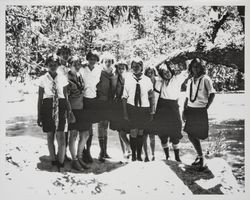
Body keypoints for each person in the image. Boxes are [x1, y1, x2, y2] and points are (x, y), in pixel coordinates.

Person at [37, 54, 72, 172]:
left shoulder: (63, 77)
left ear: (58, 65)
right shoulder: (43, 79)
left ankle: (61, 162)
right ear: (47, 65)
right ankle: (53, 160)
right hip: (47, 106)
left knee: (61, 135)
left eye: (55, 64)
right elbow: (40, 98)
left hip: (61, 106)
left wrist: (69, 111)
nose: (52, 66)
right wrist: (39, 115)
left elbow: (66, 96)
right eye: (50, 64)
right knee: (50, 135)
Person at [149, 61, 189, 162]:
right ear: (161, 74)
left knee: (175, 133)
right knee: (162, 134)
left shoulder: (177, 79)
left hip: (173, 108)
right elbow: (155, 97)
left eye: (168, 71)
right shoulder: (159, 82)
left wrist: (187, 59)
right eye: (164, 72)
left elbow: (188, 70)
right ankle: (167, 156)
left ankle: (177, 157)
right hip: (161, 108)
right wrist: (153, 112)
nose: (167, 73)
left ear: (171, 71)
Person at [183, 58, 216, 170]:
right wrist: (184, 110)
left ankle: (200, 157)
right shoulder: (190, 80)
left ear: (202, 67)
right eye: (193, 66)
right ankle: (201, 157)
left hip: (200, 110)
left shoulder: (206, 79)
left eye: (198, 66)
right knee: (190, 134)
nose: (195, 68)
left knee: (198, 134)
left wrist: (206, 106)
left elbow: (212, 93)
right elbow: (187, 97)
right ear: (191, 68)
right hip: (190, 110)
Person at [122, 57, 155, 161]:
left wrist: (152, 111)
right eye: (134, 66)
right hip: (132, 108)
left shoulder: (147, 80)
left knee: (140, 132)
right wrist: (125, 113)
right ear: (131, 67)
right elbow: (124, 97)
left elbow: (151, 97)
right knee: (133, 132)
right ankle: (134, 155)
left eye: (138, 66)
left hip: (144, 109)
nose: (135, 68)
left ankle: (139, 155)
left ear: (142, 67)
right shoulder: (128, 79)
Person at [67, 55, 90, 171]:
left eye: (78, 64)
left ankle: (80, 157)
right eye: (74, 64)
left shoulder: (79, 75)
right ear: (69, 65)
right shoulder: (66, 77)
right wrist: (69, 113)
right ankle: (74, 160)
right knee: (73, 136)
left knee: (85, 134)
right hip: (72, 110)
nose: (77, 66)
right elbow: (65, 98)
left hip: (82, 109)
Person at [79, 50, 102, 163]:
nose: (92, 60)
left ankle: (88, 151)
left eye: (94, 58)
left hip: (93, 100)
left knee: (90, 128)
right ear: (87, 59)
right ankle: (82, 151)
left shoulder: (99, 70)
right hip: (83, 99)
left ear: (97, 60)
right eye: (90, 58)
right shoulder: (82, 69)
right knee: (83, 127)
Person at [96, 52, 116, 162]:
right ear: (102, 62)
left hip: (110, 102)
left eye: (110, 61)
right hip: (101, 102)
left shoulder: (113, 73)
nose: (108, 63)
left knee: (105, 125)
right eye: (106, 61)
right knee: (100, 125)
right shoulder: (100, 72)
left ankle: (105, 151)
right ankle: (101, 152)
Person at [109, 60, 131, 159]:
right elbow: (112, 92)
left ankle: (130, 149)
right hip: (117, 106)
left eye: (123, 67)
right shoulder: (115, 78)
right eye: (119, 67)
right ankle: (124, 153)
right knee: (120, 131)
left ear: (126, 68)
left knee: (127, 130)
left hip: (128, 105)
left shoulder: (130, 78)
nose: (121, 69)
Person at [56, 45, 72, 161]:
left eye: (67, 53)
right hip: (61, 99)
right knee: (61, 127)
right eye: (63, 53)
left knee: (67, 127)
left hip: (70, 98)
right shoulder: (57, 68)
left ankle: (64, 152)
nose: (65, 55)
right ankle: (61, 152)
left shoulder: (68, 67)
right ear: (59, 54)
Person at [143, 67, 157, 162]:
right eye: (148, 72)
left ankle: (153, 154)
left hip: (155, 111)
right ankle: (146, 155)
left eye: (151, 72)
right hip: (144, 110)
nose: (149, 74)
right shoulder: (143, 82)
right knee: (144, 135)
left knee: (152, 135)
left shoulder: (158, 82)